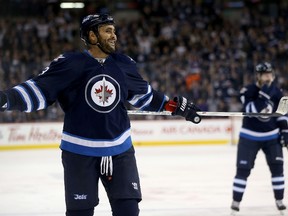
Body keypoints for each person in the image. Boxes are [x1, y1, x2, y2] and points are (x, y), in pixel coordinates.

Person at [0, 14, 201, 216]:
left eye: (114, 31)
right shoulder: (71, 63)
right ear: (92, 36)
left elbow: (144, 97)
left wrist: (173, 106)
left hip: (119, 150)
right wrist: (6, 98)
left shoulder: (124, 64)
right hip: (79, 152)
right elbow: (39, 91)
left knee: (128, 211)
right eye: (108, 31)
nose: (114, 36)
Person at [231, 62, 288, 214]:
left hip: (271, 137)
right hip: (249, 136)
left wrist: (285, 132)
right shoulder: (247, 91)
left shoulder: (278, 92)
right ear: (258, 76)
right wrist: (264, 95)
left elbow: (282, 114)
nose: (268, 76)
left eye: (270, 73)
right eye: (265, 74)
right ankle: (235, 203)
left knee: (278, 170)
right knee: (243, 170)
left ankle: (280, 201)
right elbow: (250, 110)